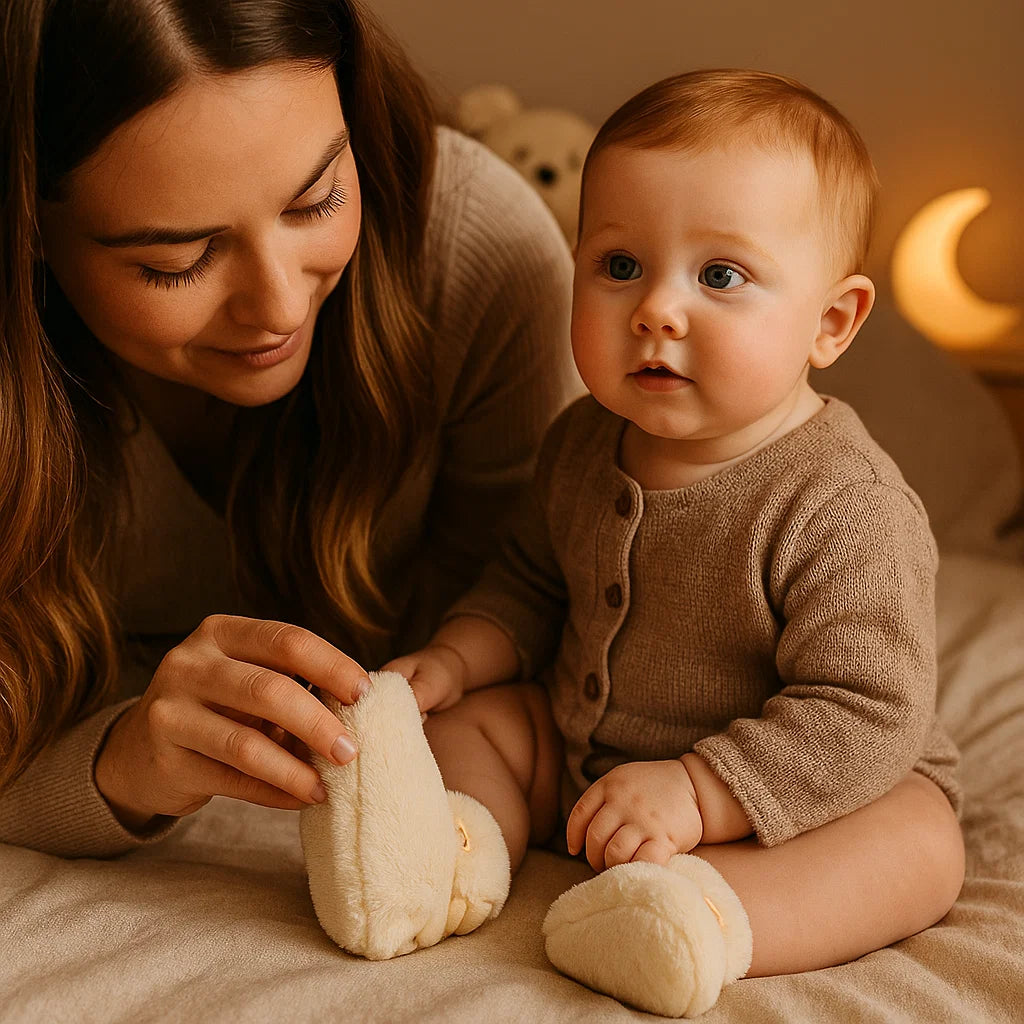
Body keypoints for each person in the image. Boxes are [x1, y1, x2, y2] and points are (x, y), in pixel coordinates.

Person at [380, 69, 965, 1015]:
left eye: (720, 276)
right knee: (465, 722)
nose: (656, 308)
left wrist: (702, 792)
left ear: (831, 321)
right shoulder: (579, 445)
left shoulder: (839, 504)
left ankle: (703, 914)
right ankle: (455, 855)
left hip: (799, 800)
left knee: (919, 844)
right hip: (587, 763)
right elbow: (529, 580)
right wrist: (459, 654)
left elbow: (869, 711)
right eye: (619, 266)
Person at [0, 0, 579, 858]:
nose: (278, 307)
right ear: (30, 230)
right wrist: (114, 765)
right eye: (176, 262)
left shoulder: (480, 252)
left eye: (316, 201)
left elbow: (547, 632)